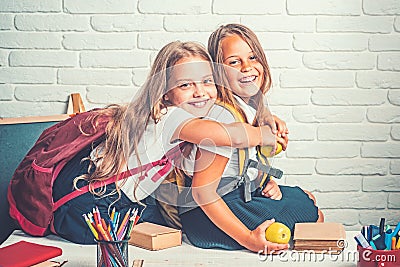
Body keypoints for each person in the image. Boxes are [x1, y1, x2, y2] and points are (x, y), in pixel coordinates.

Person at [51, 41, 279, 244]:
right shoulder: (170, 117)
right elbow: (232, 135)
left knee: (171, 225)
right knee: (170, 233)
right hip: (89, 206)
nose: (200, 92)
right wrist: (265, 134)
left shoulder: (181, 116)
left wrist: (265, 114)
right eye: (185, 85)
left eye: (207, 81)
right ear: (165, 93)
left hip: (114, 199)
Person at [176, 24, 324, 253]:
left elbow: (242, 166)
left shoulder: (248, 107)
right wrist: (248, 239)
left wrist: (265, 182)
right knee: (311, 212)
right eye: (234, 62)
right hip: (209, 212)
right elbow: (203, 192)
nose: (247, 68)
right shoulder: (224, 117)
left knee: (304, 199)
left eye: (253, 57)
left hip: (237, 195)